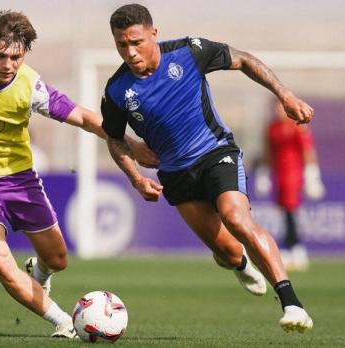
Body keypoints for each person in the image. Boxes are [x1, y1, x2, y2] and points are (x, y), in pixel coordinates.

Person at [0, 10, 156, 338]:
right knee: (0, 262)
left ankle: (40, 271)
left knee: (58, 260)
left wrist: (130, 143)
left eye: (16, 57)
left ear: (25, 54)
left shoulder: (30, 86)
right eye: (0, 55)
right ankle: (64, 322)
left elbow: (85, 118)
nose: (8, 65)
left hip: (19, 182)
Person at [101, 4, 314, 333]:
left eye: (136, 42)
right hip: (175, 174)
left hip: (215, 152)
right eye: (121, 45)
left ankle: (292, 303)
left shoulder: (188, 51)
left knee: (236, 218)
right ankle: (240, 264)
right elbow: (114, 139)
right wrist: (135, 177)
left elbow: (243, 59)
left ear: (153, 34)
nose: (130, 52)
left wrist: (283, 94)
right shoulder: (117, 91)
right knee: (228, 253)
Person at [255, 101, 325, 271]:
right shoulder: (271, 128)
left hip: (293, 175)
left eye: (281, 106)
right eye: (276, 107)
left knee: (290, 211)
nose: (278, 110)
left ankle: (294, 247)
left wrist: (312, 175)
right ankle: (292, 247)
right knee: (284, 211)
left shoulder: (297, 126)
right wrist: (263, 173)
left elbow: (308, 150)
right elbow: (267, 151)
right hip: (278, 175)